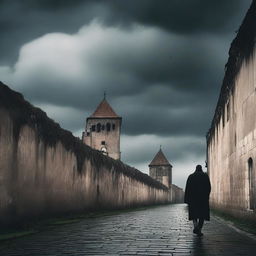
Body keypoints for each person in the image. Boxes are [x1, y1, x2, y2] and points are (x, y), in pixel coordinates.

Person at [184, 165, 211, 237]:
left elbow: (187, 189)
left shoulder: (191, 176)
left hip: (193, 200)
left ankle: (196, 226)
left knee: (194, 214)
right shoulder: (205, 176)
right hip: (203, 199)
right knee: (202, 215)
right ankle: (199, 228)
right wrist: (207, 196)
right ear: (201, 169)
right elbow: (209, 187)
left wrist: (187, 199)